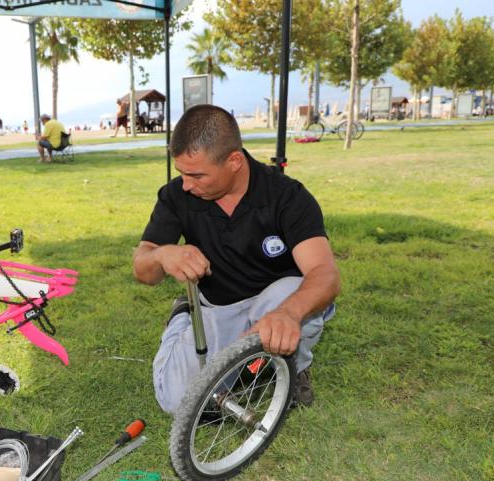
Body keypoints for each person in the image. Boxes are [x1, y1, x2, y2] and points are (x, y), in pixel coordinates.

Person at [132, 105, 340, 413]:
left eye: (197, 175)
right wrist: (162, 255)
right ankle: (184, 318)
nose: (187, 184)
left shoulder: (286, 196)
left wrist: (288, 314)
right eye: (182, 174)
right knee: (178, 403)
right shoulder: (177, 196)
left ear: (234, 161)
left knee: (295, 291)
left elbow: (325, 273)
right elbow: (143, 269)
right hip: (217, 309)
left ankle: (292, 368)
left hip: (274, 304)